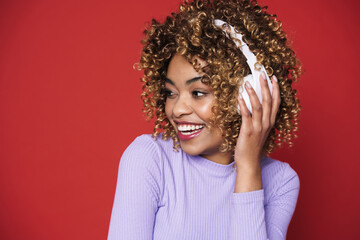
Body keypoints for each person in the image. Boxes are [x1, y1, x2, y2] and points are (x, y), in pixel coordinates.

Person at [108, 0, 301, 239]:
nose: (177, 109)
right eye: (171, 93)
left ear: (249, 96)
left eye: (198, 93)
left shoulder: (281, 182)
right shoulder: (149, 159)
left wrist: (248, 169)